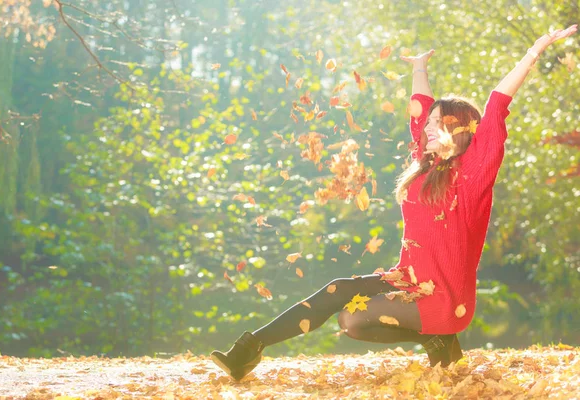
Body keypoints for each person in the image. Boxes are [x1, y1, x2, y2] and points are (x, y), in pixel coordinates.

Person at [210, 25, 578, 381]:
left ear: (463, 131)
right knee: (339, 288)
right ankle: (247, 351)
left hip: (443, 296)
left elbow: (497, 104)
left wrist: (535, 51)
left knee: (351, 320)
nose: (430, 128)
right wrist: (419, 67)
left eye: (440, 123)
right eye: (431, 122)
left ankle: (438, 337)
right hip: (408, 280)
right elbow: (419, 110)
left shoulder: (473, 172)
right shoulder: (427, 162)